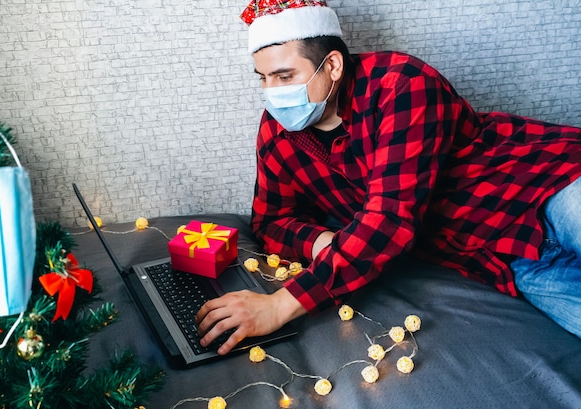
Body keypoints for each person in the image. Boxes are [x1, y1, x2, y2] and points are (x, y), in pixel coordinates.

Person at [196, 0, 581, 355]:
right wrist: (321, 242)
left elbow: (389, 219)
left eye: (284, 76)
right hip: (503, 255)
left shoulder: (401, 83)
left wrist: (280, 305)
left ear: (331, 66)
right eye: (262, 78)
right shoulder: (277, 134)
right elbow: (269, 221)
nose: (272, 93)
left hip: (545, 183)